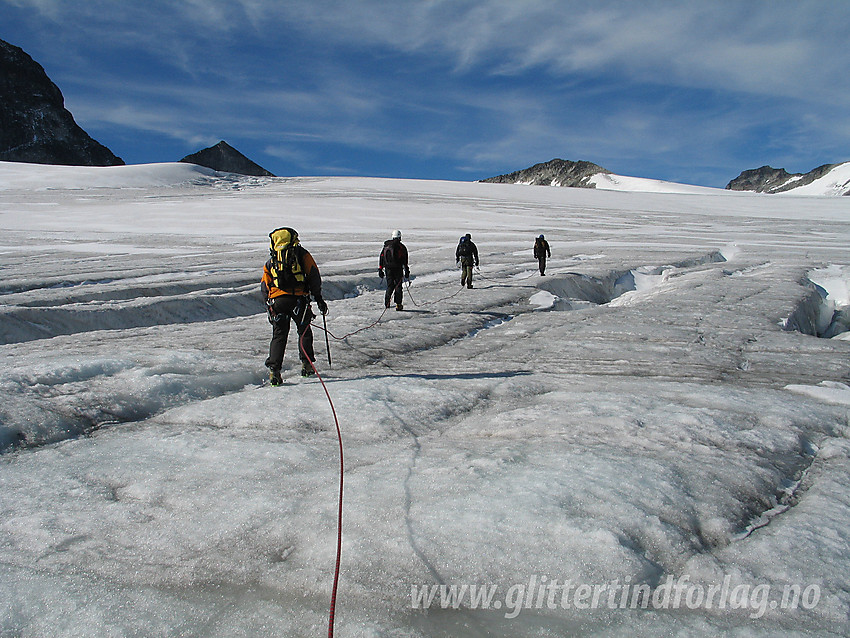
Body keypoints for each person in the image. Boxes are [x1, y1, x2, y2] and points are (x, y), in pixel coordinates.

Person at [261, 227, 328, 385]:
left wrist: (268, 305)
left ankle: (274, 371)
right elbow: (313, 275)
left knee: (279, 335)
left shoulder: (273, 258)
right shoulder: (301, 254)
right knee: (304, 331)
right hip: (299, 300)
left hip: (278, 301)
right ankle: (307, 365)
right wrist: (318, 298)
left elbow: (265, 284)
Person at [379, 229, 410, 310]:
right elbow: (405, 260)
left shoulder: (386, 246)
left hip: (388, 269)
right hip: (398, 269)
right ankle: (398, 304)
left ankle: (387, 303)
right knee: (398, 286)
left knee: (390, 286)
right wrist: (406, 270)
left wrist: (380, 269)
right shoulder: (401, 247)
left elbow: (381, 257)